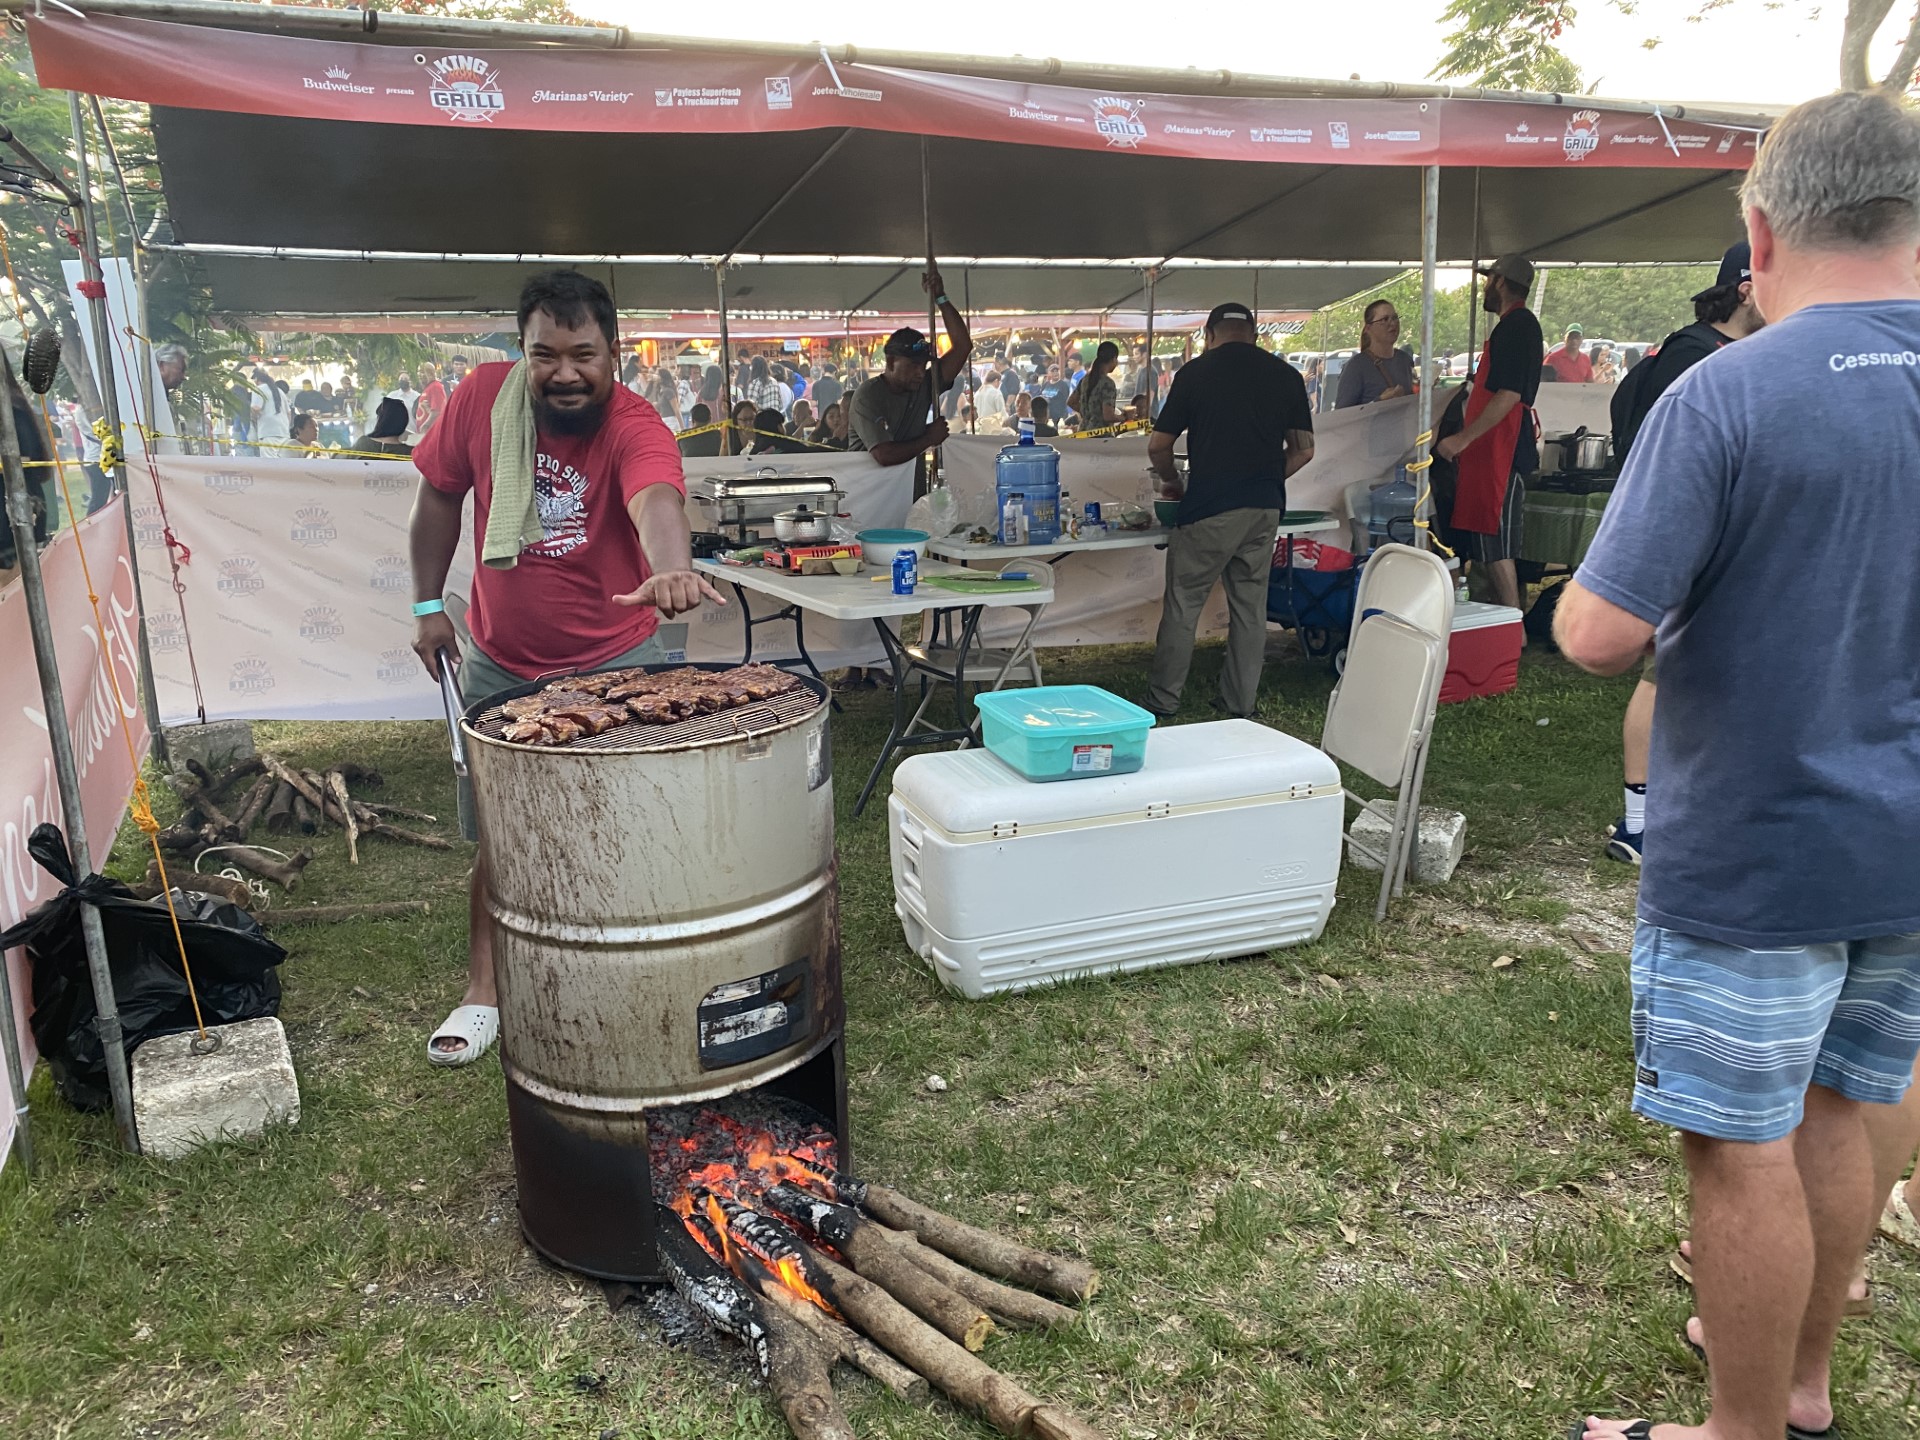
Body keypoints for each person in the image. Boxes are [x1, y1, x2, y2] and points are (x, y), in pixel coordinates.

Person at [1555, 90, 1920, 1440]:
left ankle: (1742, 1435)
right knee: (1840, 1111)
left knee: (1738, 1147)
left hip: (1757, 850)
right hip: (1905, 845)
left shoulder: (1727, 395)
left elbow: (1600, 637)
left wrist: (1550, 602)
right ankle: (1807, 1396)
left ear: (1761, 229)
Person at [409, 269, 722, 1067]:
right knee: (500, 837)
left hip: (618, 658)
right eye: (544, 354)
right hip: (499, 660)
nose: (565, 372)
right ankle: (485, 992)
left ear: (615, 353)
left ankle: (628, 974)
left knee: (633, 829)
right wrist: (424, 605)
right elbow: (440, 496)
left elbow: (656, 499)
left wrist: (672, 569)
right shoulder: (482, 399)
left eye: (584, 354)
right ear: (521, 351)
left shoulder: (634, 422)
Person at [1602, 241, 1766, 867]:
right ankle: (1638, 825)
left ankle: (1683, 808)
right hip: (1687, 545)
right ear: (1747, 288)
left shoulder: (1729, 353)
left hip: (1726, 548)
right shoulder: (1692, 355)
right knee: (1662, 674)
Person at [1144, 302, 1314, 719]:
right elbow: (1305, 449)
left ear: (1209, 335)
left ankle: (1163, 700)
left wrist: (1172, 481)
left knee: (1184, 605)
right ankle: (1239, 704)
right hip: (1264, 509)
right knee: (1250, 610)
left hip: (1209, 507)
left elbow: (1158, 446)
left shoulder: (1195, 373)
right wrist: (1268, 478)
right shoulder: (1286, 375)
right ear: (1254, 335)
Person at [1434, 253, 1542, 612]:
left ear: (1499, 281)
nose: (1484, 287)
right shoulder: (1512, 326)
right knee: (1487, 540)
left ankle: (1513, 623)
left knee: (1496, 542)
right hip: (1491, 449)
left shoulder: (1517, 326)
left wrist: (1463, 438)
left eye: (1487, 280)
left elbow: (1509, 395)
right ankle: (1502, 617)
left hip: (1503, 450)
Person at [847, 267, 974, 488]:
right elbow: (884, 455)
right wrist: (928, 438)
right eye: (913, 365)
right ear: (890, 363)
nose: (919, 371)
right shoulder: (868, 395)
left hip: (910, 495)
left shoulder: (924, 384)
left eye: (923, 365)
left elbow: (963, 346)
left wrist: (941, 298)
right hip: (869, 498)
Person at [1336, 301, 1416, 408]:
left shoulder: (1404, 360)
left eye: (1395, 317)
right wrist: (1379, 401)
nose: (1392, 323)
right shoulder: (1356, 366)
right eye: (1384, 319)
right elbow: (1342, 415)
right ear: (1368, 328)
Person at [1069, 342, 1123, 431]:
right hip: (1100, 436)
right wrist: (1122, 417)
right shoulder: (1108, 383)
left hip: (1083, 431)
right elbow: (1108, 416)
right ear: (1113, 359)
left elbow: (1071, 401)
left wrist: (1087, 414)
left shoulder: (1085, 379)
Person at [251, 367, 290, 449]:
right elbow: (288, 413)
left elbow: (256, 408)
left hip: (268, 432)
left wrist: (254, 420)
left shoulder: (259, 389)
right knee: (282, 460)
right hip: (284, 432)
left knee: (269, 460)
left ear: (257, 379)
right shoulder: (280, 391)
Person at [413, 361, 448, 442]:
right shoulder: (429, 387)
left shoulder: (436, 387)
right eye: (418, 372)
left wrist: (425, 426)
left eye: (422, 372)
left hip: (430, 434)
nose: (419, 374)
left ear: (431, 373)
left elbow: (437, 412)